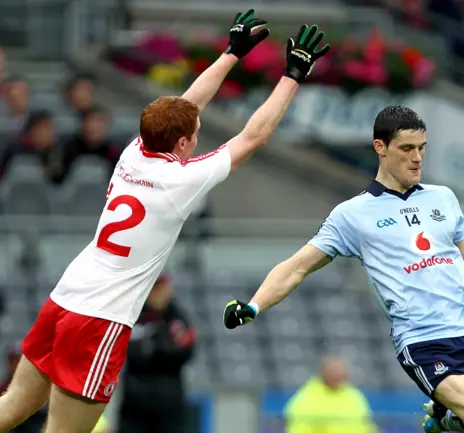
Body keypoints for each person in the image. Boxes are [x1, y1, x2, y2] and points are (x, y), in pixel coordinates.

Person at [0, 10, 330, 433]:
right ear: (182, 142)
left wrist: (231, 53)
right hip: (99, 319)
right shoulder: (181, 180)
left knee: (11, 407)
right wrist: (293, 76)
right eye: (192, 132)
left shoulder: (132, 153)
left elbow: (186, 106)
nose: (196, 132)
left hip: (64, 298)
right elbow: (252, 137)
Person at [224, 105, 464, 433]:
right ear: (380, 148)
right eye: (407, 149)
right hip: (426, 341)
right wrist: (254, 305)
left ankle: (449, 421)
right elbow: (297, 267)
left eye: (422, 148)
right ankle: (456, 418)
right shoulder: (352, 215)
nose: (417, 158)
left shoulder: (443, 198)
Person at [119, 274, 197, 433]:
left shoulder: (177, 317)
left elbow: (185, 351)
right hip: (134, 404)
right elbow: (129, 350)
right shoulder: (134, 314)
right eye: (155, 288)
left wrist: (153, 347)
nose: (159, 293)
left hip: (168, 404)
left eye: (163, 288)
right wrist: (158, 346)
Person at [284, 356, 377, 433]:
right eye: (333, 370)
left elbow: (367, 426)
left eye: (340, 370)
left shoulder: (355, 396)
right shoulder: (305, 399)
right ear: (322, 372)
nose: (338, 374)